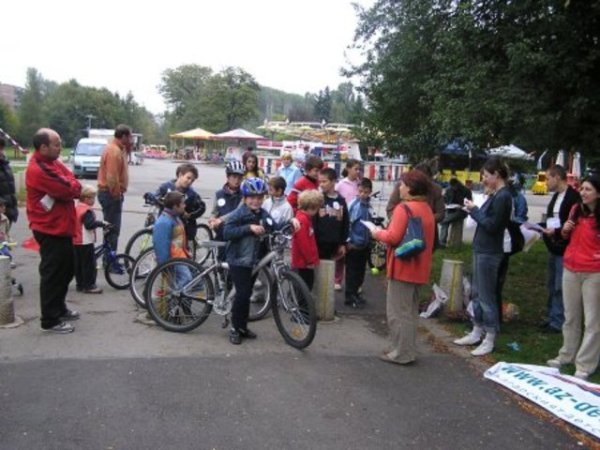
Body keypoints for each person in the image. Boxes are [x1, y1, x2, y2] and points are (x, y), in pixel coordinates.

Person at [371, 170, 435, 365]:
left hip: (403, 267)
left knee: (398, 313)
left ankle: (401, 353)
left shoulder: (403, 208)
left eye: (402, 184)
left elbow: (393, 237)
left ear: (411, 188)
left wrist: (377, 233)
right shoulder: (426, 208)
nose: (399, 187)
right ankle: (405, 349)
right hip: (420, 267)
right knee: (410, 312)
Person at [454, 158, 512, 356]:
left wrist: (474, 211)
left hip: (490, 252)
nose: (484, 180)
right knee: (477, 293)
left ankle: (490, 336)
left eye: (486, 176)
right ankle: (477, 329)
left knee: (487, 296)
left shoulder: (504, 197)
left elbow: (492, 225)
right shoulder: (495, 195)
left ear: (496, 174)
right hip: (481, 249)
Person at [26, 128, 82, 333]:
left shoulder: (52, 162)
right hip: (49, 228)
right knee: (53, 273)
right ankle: (50, 319)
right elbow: (70, 188)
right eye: (56, 144)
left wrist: (72, 187)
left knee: (67, 269)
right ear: (43, 147)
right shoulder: (39, 169)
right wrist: (72, 188)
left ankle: (59, 307)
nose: (60, 147)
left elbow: (71, 179)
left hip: (61, 226)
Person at [547, 175, 600, 380]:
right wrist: (565, 231)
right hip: (571, 267)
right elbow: (566, 236)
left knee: (593, 321)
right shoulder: (576, 210)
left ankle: (585, 364)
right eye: (582, 188)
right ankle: (566, 354)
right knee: (571, 316)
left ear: (598, 193)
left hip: (594, 272)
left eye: (588, 189)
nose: (583, 193)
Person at [223, 178, 276, 345]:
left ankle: (242, 327)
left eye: (260, 198)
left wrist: (291, 222)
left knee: (246, 295)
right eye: (252, 197)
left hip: (253, 259)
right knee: (243, 294)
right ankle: (234, 328)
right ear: (245, 198)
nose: (256, 201)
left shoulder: (261, 213)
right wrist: (249, 228)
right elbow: (227, 232)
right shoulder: (239, 213)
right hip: (238, 259)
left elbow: (272, 224)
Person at [540, 165, 581, 333]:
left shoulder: (573, 197)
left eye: (548, 178)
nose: (546, 182)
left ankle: (558, 320)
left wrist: (557, 231)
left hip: (565, 247)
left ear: (557, 177)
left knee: (559, 285)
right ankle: (551, 316)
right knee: (551, 283)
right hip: (553, 244)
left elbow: (572, 223)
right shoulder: (556, 196)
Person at [97, 124, 132, 264]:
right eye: (129, 136)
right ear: (123, 136)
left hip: (110, 194)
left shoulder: (118, 149)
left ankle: (109, 259)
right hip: (110, 195)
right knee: (112, 230)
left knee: (111, 229)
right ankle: (110, 261)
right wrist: (116, 195)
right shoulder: (114, 151)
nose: (131, 139)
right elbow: (112, 177)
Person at [386, 163, 445, 247]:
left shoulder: (435, 189)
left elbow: (441, 214)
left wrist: (422, 220)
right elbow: (390, 208)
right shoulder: (402, 186)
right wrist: (401, 222)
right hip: (402, 235)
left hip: (426, 235)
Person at [495, 176, 529, 323]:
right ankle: (494, 317)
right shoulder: (509, 196)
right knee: (495, 283)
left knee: (496, 282)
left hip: (505, 243)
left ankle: (495, 320)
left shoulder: (510, 198)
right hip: (502, 244)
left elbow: (519, 218)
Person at [155, 163, 206, 247]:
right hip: (165, 221)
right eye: (188, 178)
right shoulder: (165, 187)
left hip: (181, 226)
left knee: (179, 249)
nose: (190, 182)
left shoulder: (191, 194)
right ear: (180, 175)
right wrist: (154, 200)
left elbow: (202, 207)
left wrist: (190, 215)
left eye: (192, 180)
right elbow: (157, 196)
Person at [314, 167, 349, 288]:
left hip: (334, 244)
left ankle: (326, 304)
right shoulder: (318, 199)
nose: (321, 184)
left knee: (329, 276)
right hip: (319, 244)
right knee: (317, 275)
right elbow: (313, 222)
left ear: (333, 181)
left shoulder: (341, 201)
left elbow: (345, 223)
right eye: (320, 181)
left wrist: (343, 243)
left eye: (324, 181)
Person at [345, 177, 374, 308]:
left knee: (361, 272)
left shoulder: (368, 206)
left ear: (370, 192)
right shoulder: (354, 205)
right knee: (352, 272)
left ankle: (356, 293)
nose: (363, 194)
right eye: (361, 191)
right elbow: (348, 224)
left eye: (366, 192)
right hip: (354, 244)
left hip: (364, 244)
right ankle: (349, 296)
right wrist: (348, 241)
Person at [73, 185, 107, 294]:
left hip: (76, 240)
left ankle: (80, 284)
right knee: (89, 264)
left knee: (79, 264)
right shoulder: (86, 211)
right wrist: (101, 224)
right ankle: (89, 285)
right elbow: (89, 225)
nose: (94, 200)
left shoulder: (77, 208)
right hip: (85, 240)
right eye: (93, 198)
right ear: (87, 198)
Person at [334, 159, 362, 290]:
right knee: (341, 250)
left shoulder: (360, 184)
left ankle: (353, 282)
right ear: (348, 169)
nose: (358, 172)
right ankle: (337, 279)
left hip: (356, 222)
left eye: (359, 169)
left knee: (354, 252)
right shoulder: (341, 184)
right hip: (344, 220)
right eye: (355, 169)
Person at [291, 189, 322, 291]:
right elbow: (304, 243)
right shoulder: (303, 220)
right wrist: (310, 260)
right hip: (303, 263)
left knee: (305, 286)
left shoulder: (303, 218)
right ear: (312, 207)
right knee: (304, 288)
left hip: (303, 262)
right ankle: (301, 307)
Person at [207, 160, 244, 242]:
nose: (237, 180)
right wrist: (212, 219)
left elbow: (238, 212)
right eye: (234, 177)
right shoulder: (219, 194)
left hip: (237, 233)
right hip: (221, 232)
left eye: (240, 178)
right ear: (227, 177)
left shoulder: (244, 195)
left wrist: (220, 219)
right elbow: (214, 211)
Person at [438, 177, 472, 246]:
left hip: (461, 211)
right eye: (452, 187)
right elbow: (445, 199)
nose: (453, 188)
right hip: (450, 209)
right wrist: (445, 201)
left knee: (444, 221)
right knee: (445, 222)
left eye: (454, 187)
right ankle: (442, 242)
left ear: (457, 184)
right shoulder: (449, 190)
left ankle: (442, 242)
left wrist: (462, 205)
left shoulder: (466, 190)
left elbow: (469, 202)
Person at [0, 137, 18, 234]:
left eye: (1, 148)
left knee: (3, 245)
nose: (1, 152)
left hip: (7, 212)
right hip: (2, 210)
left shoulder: (5, 165)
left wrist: (13, 208)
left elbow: (10, 187)